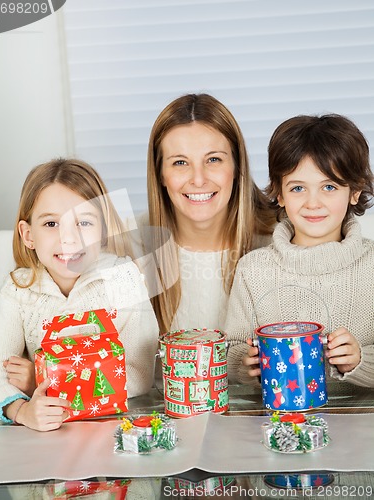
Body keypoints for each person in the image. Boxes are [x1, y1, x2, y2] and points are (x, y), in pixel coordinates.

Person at [0, 158, 159, 431]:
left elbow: (138, 374)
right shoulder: (18, 291)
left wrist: (44, 379)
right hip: (45, 436)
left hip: (111, 432)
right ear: (28, 234)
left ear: (103, 230)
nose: (69, 238)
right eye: (51, 224)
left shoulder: (123, 279)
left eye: (85, 223)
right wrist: (22, 410)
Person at [225, 113, 374, 396]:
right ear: (279, 194)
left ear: (354, 191)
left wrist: (360, 360)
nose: (313, 202)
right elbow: (232, 350)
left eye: (329, 187)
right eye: (297, 188)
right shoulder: (253, 270)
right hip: (278, 424)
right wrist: (245, 364)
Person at [129, 93, 276, 334]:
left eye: (214, 159)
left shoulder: (280, 241)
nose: (198, 179)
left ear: (237, 167)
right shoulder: (130, 246)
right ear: (160, 175)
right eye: (180, 162)